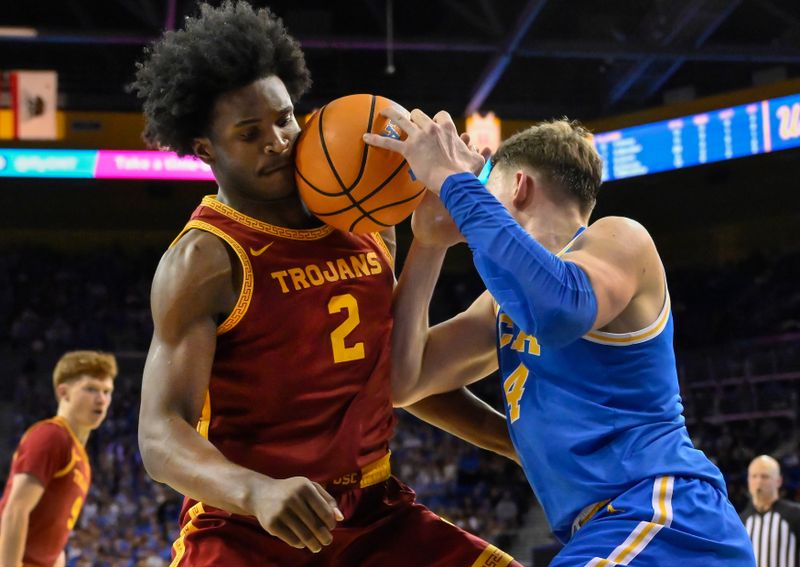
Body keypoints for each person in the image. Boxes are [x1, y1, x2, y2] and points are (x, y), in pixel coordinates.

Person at [131, 2, 520, 566]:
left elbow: (395, 375)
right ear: (205, 150)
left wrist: (517, 442)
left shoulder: (368, 220)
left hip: (372, 511)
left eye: (285, 118)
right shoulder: (207, 259)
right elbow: (160, 435)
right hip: (245, 527)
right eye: (250, 132)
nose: (278, 141)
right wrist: (255, 490)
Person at [365, 109, 756, 565]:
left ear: (519, 187)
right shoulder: (502, 303)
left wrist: (454, 181)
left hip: (665, 517)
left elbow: (556, 309)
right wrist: (428, 246)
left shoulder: (618, 239)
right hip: (607, 531)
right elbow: (402, 381)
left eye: (484, 188)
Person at [0, 350, 116, 567]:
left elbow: (55, 539)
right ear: (64, 392)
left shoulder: (80, 457)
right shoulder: (52, 435)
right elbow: (16, 510)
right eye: (91, 389)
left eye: (107, 391)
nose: (101, 399)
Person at [741, 455, 800, 566]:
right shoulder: (741, 521)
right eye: (754, 476)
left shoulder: (795, 515)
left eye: (765, 476)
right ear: (748, 480)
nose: (758, 482)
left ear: (778, 481)